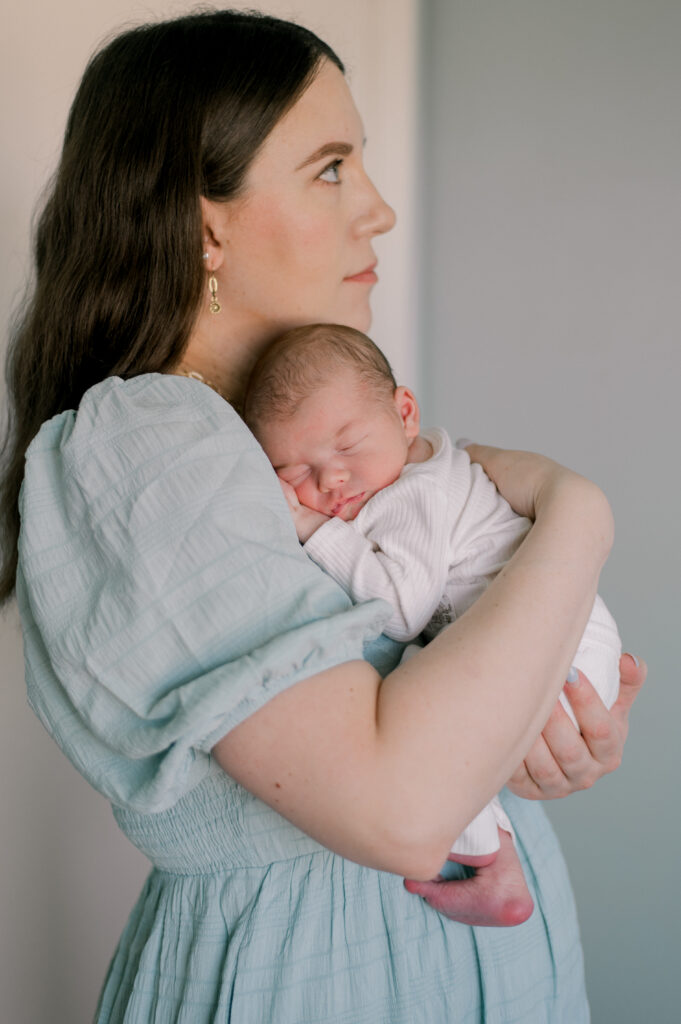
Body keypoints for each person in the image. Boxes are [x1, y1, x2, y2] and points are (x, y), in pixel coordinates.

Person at [0, 10, 645, 1023]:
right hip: (312, 982)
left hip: (491, 968)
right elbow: (399, 806)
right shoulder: (147, 447)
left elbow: (436, 733)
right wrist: (580, 510)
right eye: (332, 168)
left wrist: (539, 728)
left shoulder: (303, 439)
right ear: (206, 223)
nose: (378, 210)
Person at [242, 321, 622, 927]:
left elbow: (402, 609)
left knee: (416, 694)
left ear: (406, 413)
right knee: (439, 695)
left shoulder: (409, 496)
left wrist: (316, 530)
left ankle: (486, 856)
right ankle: (498, 865)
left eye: (346, 447)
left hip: (566, 657)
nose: (330, 480)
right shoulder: (425, 466)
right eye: (295, 472)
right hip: (566, 645)